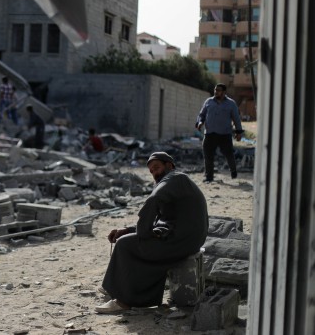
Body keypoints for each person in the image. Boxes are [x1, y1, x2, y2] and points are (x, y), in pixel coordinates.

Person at [95, 152, 208, 313]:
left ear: (169, 165)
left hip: (182, 240)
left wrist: (142, 233)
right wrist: (127, 230)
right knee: (127, 238)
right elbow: (160, 221)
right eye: (152, 171)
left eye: (157, 168)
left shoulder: (175, 178)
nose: (155, 173)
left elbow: (153, 199)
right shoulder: (176, 183)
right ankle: (114, 288)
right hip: (185, 237)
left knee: (125, 245)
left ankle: (124, 302)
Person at [195, 83, 244, 182]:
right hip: (209, 134)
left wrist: (238, 132)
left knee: (229, 154)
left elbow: (236, 118)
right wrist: (200, 122)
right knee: (208, 156)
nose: (216, 92)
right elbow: (202, 114)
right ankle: (209, 177)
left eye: (218, 90)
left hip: (224, 134)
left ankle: (233, 172)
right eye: (215, 90)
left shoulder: (231, 104)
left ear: (224, 92)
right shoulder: (208, 101)